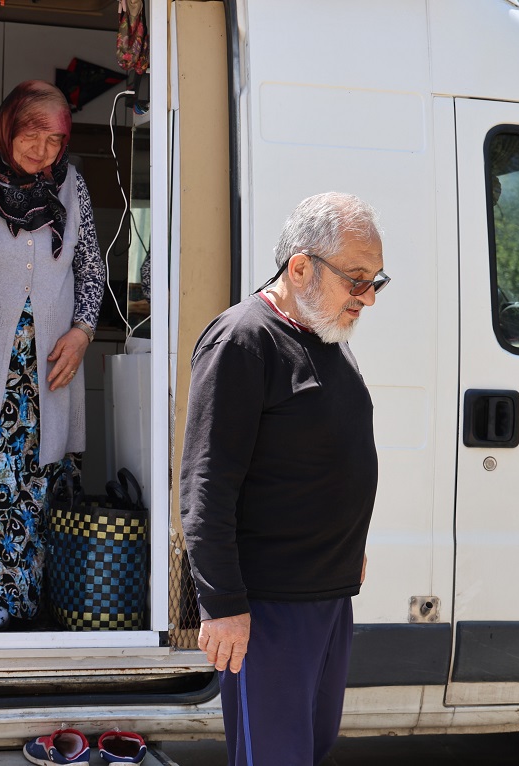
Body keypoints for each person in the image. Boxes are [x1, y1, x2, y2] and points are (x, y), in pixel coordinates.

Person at [179, 192, 389, 764]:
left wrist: (350, 548)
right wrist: (221, 605)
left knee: (310, 751)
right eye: (356, 279)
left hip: (327, 596)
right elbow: (205, 488)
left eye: (375, 280)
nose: (367, 297)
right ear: (300, 268)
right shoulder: (243, 341)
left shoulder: (325, 336)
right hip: (266, 608)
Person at [0, 80, 104, 631]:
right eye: (32, 135)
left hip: (48, 370)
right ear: (8, 124)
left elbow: (92, 268)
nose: (42, 151)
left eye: (55, 140)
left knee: (39, 481)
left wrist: (84, 332)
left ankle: (31, 606)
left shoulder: (72, 186)